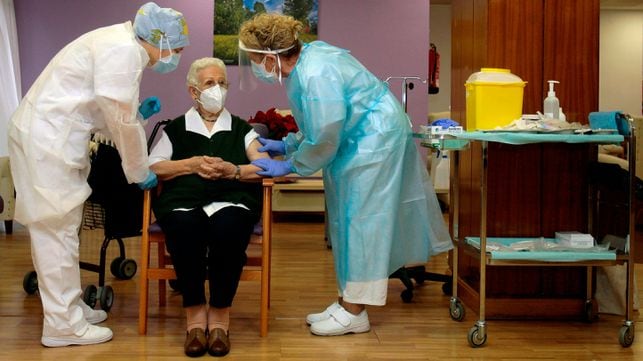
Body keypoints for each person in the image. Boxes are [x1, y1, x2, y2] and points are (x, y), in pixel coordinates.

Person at [238, 13, 453, 336]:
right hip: (359, 140)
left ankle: (356, 311)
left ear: (271, 57)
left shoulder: (315, 72)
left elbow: (326, 134)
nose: (255, 66)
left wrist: (292, 164)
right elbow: (316, 123)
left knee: (362, 221)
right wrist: (288, 143)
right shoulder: (307, 64)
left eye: (256, 60)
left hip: (373, 142)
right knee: (344, 219)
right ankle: (346, 301)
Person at [7, 2, 189, 347]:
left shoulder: (117, 43)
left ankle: (70, 307)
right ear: (159, 40)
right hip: (47, 143)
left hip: (50, 139)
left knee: (65, 230)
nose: (175, 57)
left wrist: (136, 114)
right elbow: (118, 120)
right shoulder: (123, 52)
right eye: (176, 49)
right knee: (56, 231)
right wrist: (139, 170)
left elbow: (106, 110)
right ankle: (63, 326)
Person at [148, 57, 269, 357]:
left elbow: (265, 166)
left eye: (222, 83)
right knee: (185, 228)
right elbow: (153, 167)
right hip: (183, 202)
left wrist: (234, 170)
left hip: (232, 199)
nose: (218, 89)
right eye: (210, 84)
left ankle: (219, 318)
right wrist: (189, 165)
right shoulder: (175, 130)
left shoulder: (242, 129)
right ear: (193, 92)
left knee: (229, 227)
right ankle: (194, 318)